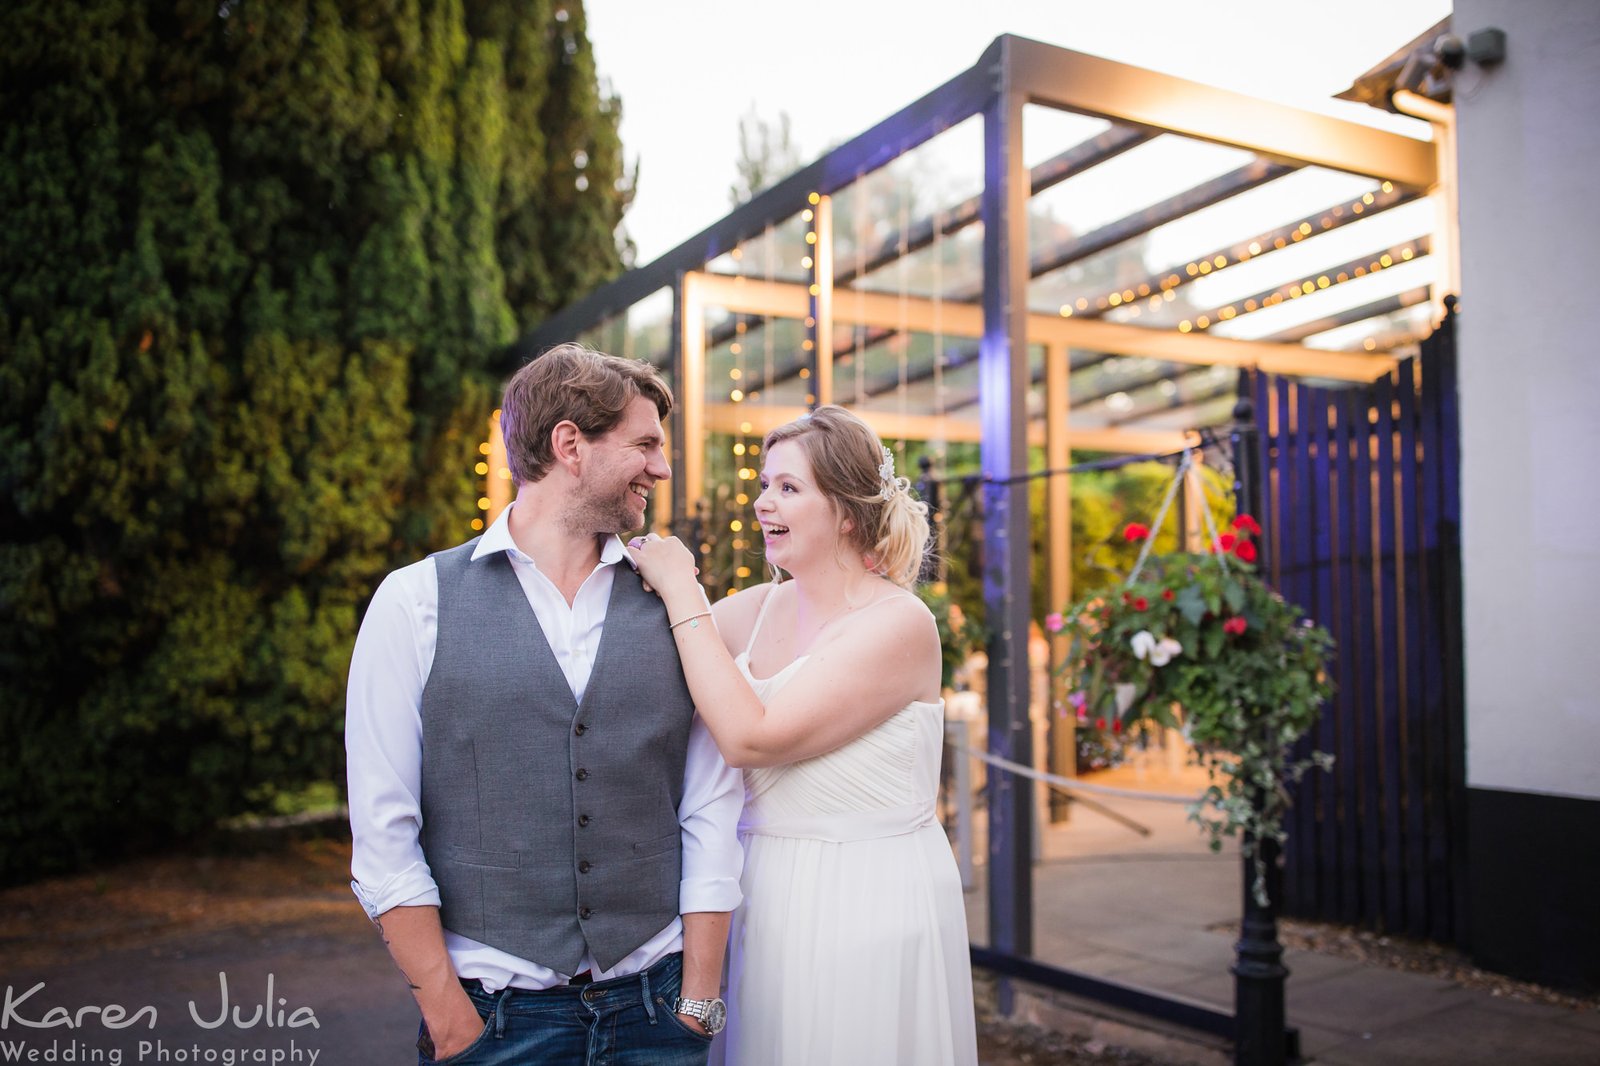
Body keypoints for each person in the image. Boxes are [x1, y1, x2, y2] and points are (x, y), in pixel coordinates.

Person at [346, 343, 744, 1065]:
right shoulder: (415, 602)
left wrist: (699, 1001)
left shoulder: (673, 602)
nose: (662, 467)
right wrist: (447, 1015)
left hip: (656, 1013)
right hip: (491, 1023)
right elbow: (383, 830)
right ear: (570, 445)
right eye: (645, 444)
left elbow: (710, 804)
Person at [628, 405, 978, 1066]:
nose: (763, 503)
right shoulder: (760, 608)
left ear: (845, 511)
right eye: (764, 485)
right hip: (766, 892)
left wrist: (682, 586)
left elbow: (751, 738)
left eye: (788, 488)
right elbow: (651, 649)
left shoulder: (899, 624)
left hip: (865, 898)